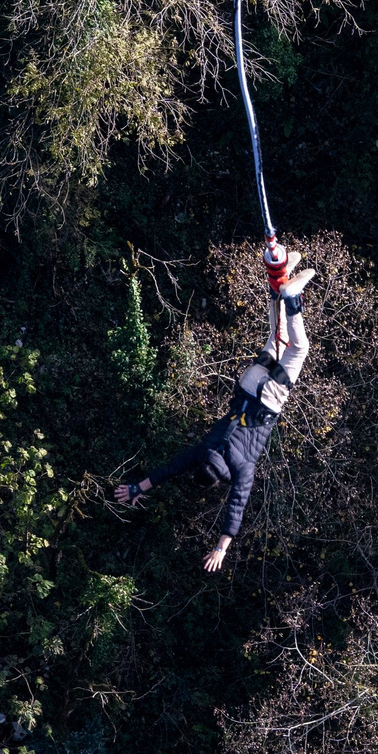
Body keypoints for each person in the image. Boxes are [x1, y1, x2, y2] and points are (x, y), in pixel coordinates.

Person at [115, 241, 314, 570]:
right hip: (248, 386)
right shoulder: (204, 449)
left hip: (267, 401)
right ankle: (280, 282)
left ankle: (291, 297)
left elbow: (237, 505)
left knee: (297, 350)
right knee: (276, 338)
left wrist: (222, 547)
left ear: (219, 478)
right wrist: (138, 485)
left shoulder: (242, 469)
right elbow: (172, 467)